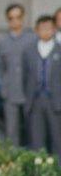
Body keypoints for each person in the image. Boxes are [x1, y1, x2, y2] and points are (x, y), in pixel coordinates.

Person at [22, 15, 61, 159]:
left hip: (55, 102)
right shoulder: (29, 51)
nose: (46, 31)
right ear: (36, 30)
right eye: (42, 28)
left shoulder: (59, 50)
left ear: (54, 30)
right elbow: (24, 77)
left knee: (57, 140)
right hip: (36, 100)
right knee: (36, 141)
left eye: (49, 28)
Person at [0, 4, 35, 146]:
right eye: (11, 18)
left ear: (23, 18)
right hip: (11, 91)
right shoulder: (3, 41)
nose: (15, 21)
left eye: (18, 17)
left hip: (30, 92)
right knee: (11, 131)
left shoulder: (32, 38)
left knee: (32, 129)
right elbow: (2, 67)